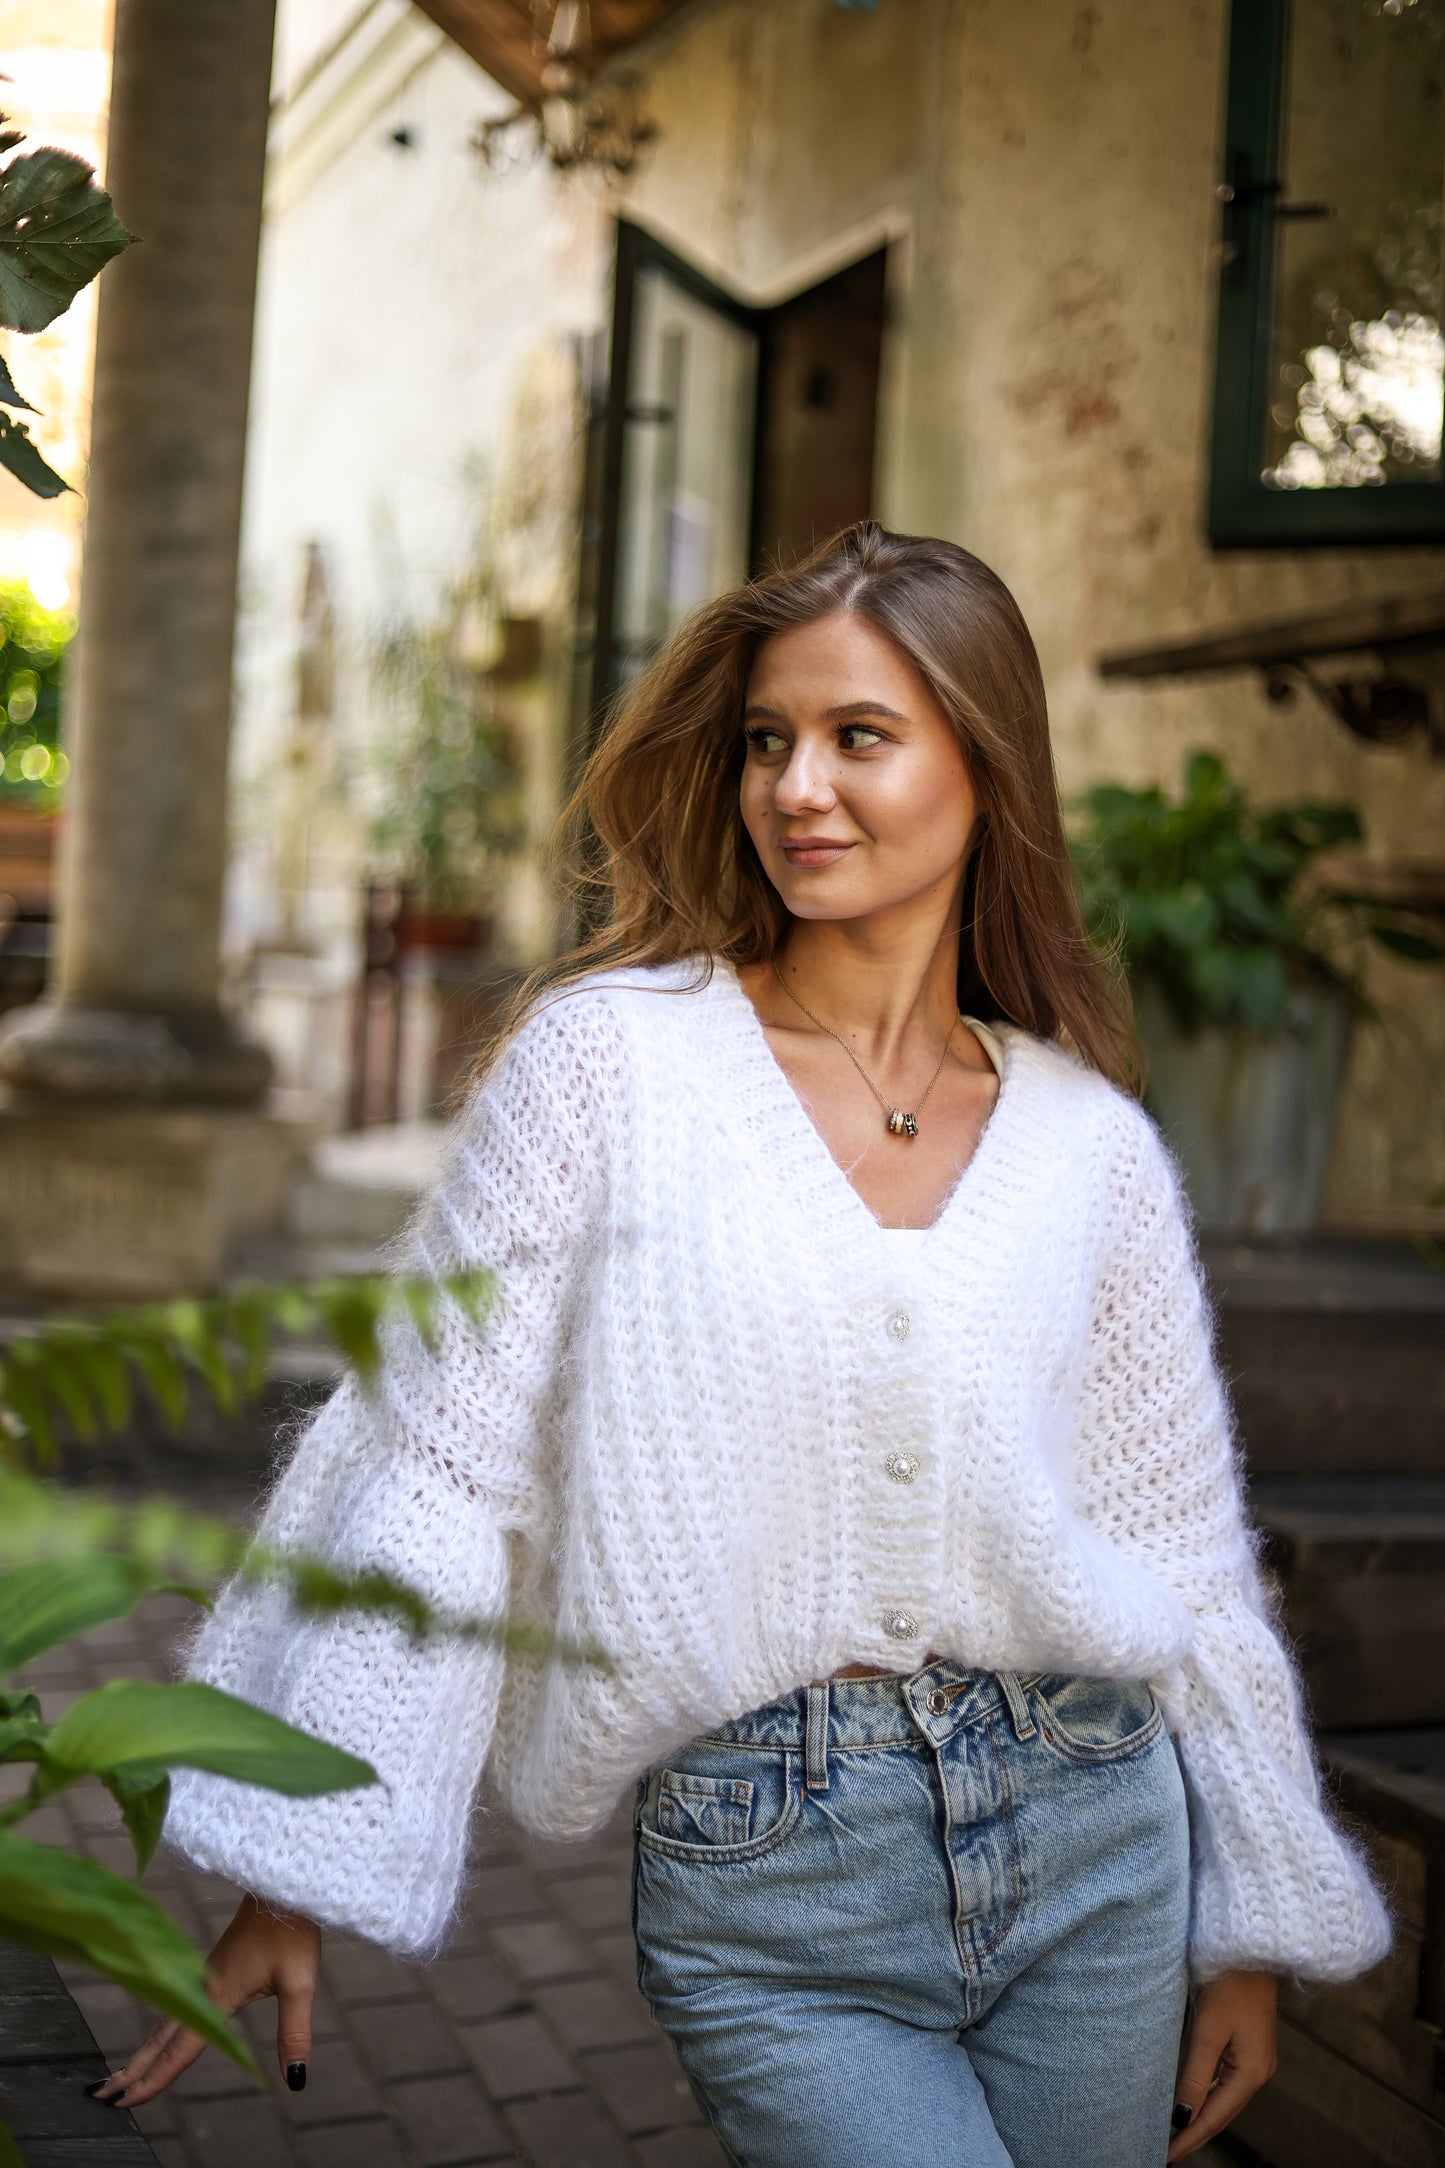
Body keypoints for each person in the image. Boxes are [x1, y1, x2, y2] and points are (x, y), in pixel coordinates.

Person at [91, 525, 1387, 2166]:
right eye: (769, 740)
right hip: (775, 1869)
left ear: (983, 766)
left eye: (858, 738)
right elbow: (434, 1461)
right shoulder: (608, 1069)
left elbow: (1179, 1549)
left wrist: (1246, 1919)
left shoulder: (1089, 1145)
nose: (794, 788)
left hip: (1098, 1839)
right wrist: (298, 1866)